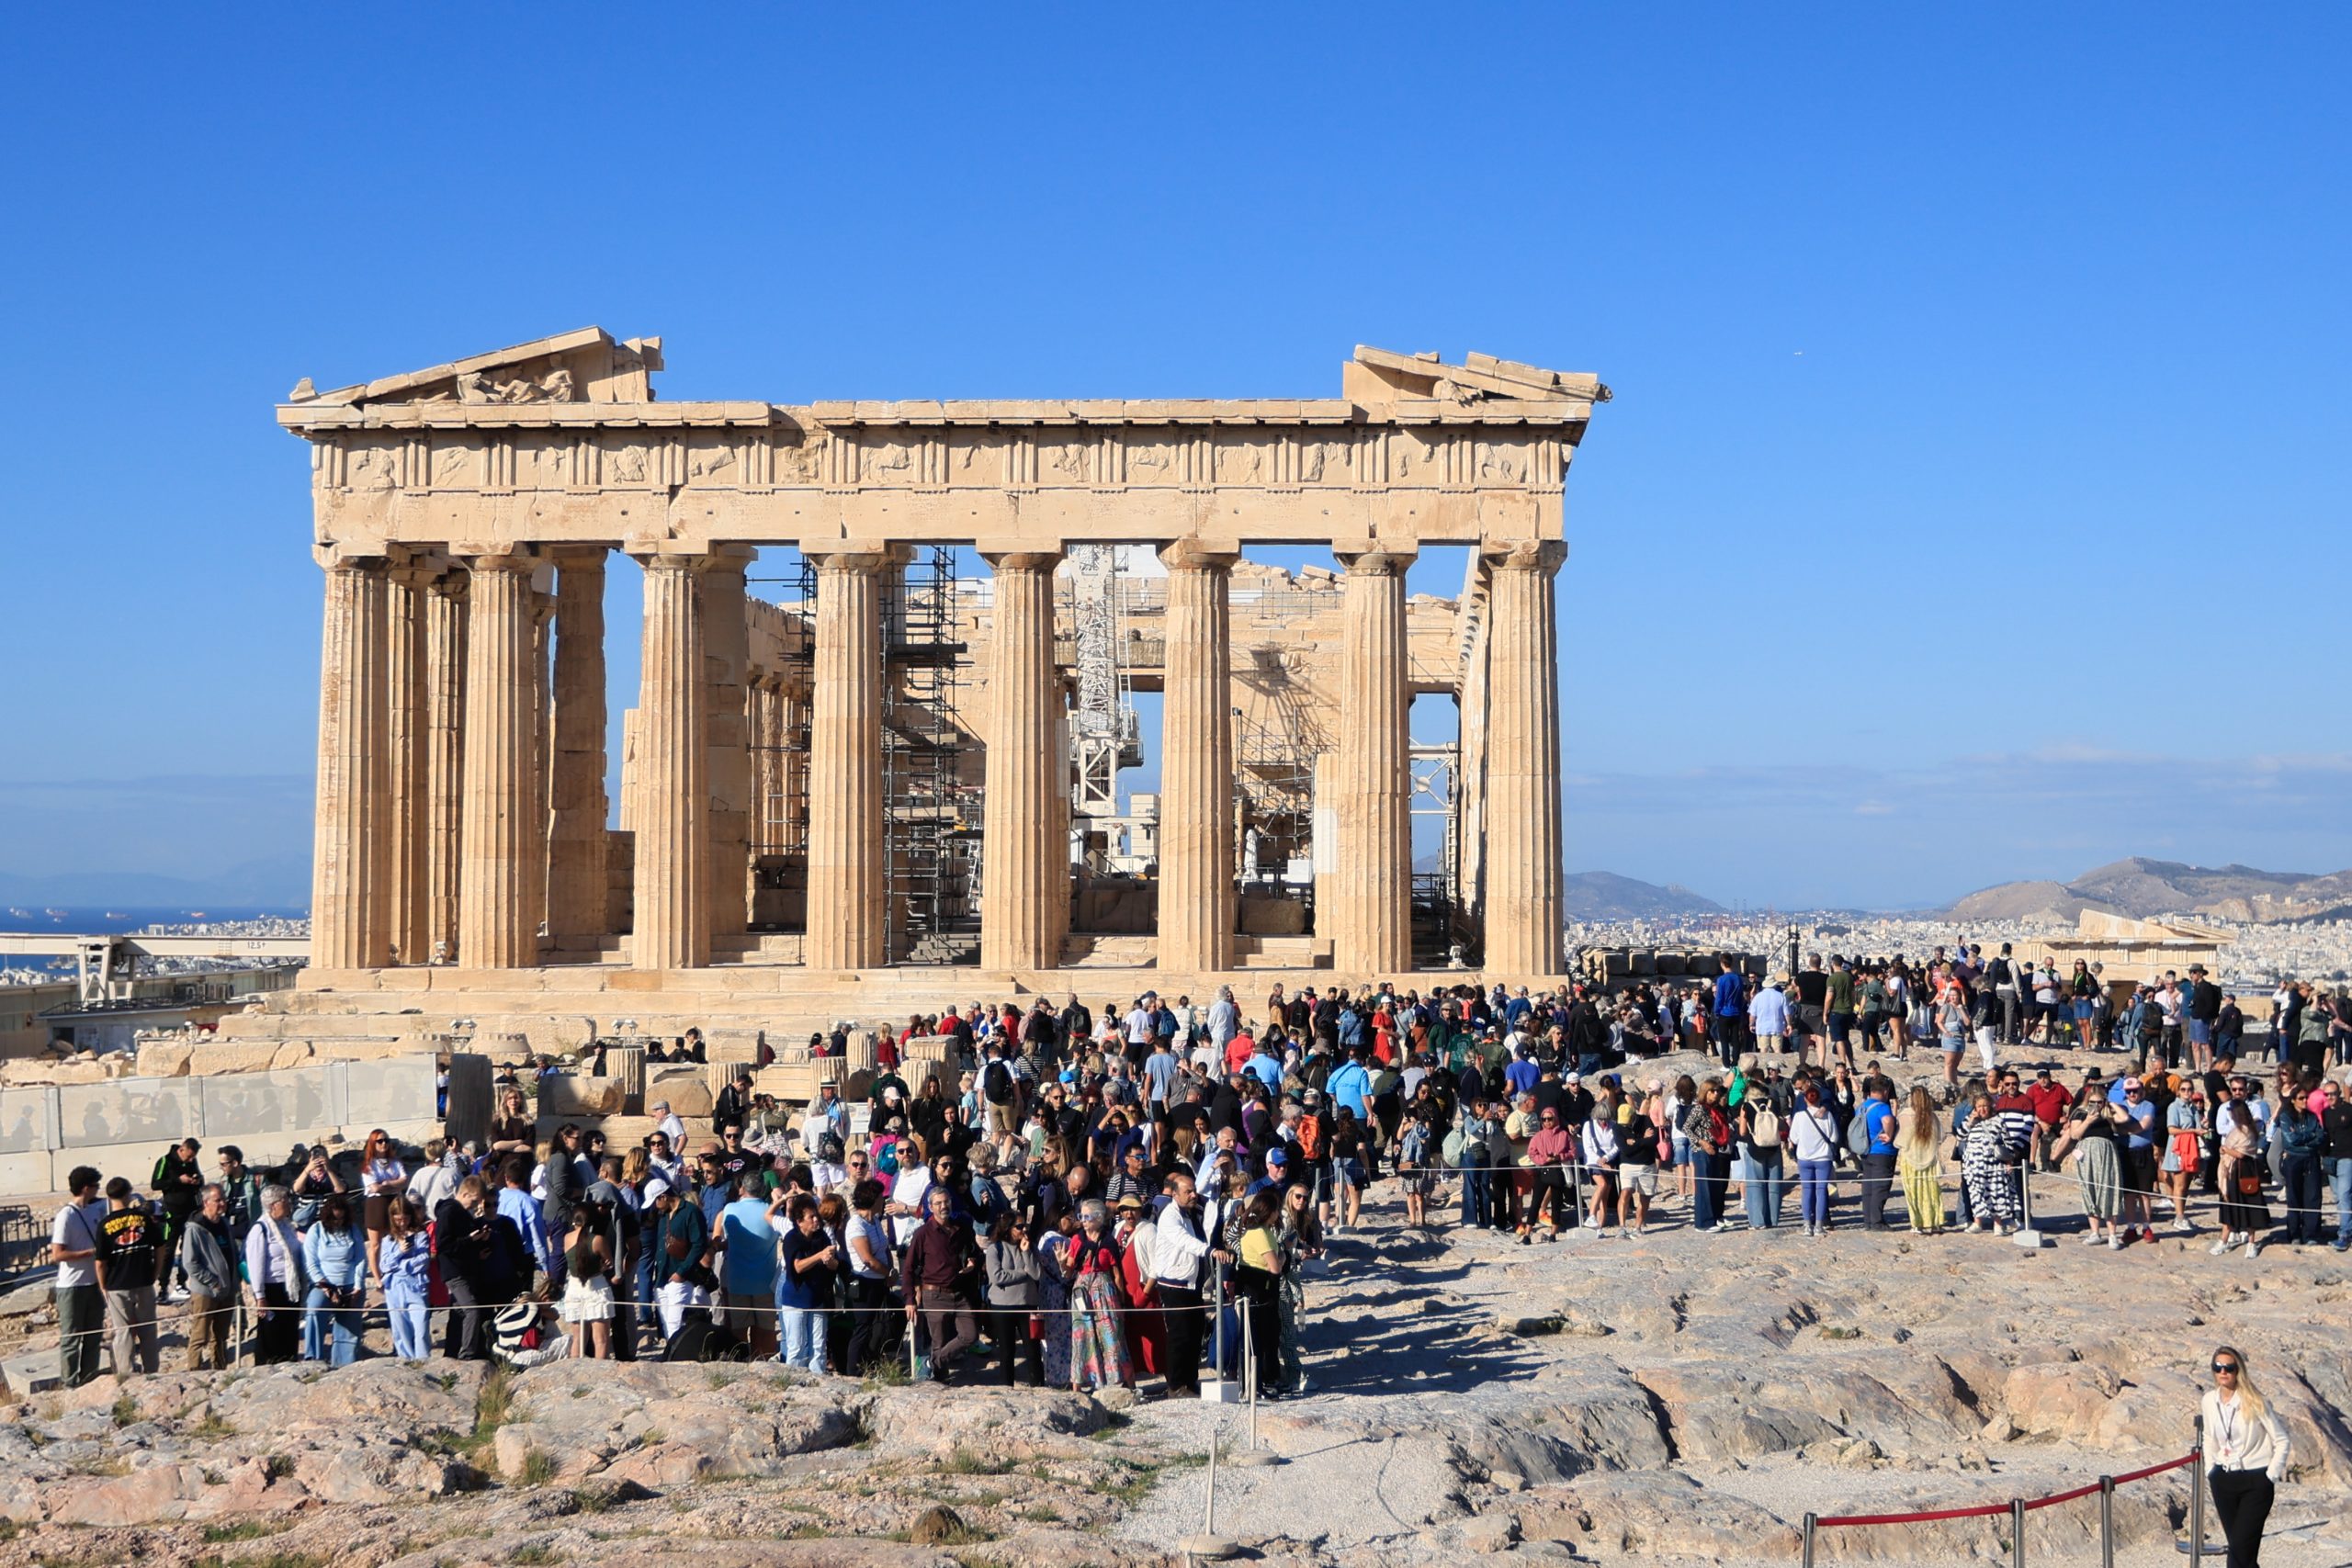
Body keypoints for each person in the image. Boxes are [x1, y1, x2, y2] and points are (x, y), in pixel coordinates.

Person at [2200, 1347, 2290, 1568]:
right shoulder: (2209, 1400)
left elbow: (2282, 1440)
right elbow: (2209, 1437)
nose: (2223, 1372)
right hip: (2223, 1480)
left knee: (2238, 1551)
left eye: (2228, 1368)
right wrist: (2211, 1469)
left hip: (2255, 1482)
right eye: (2218, 1367)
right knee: (2244, 1554)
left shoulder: (2254, 1400)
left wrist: (2271, 1475)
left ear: (2238, 1370)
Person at [902, 1185, 982, 1382]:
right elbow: (909, 1268)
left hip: (959, 1292)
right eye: (938, 1203)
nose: (943, 1206)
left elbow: (976, 1253)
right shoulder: (922, 1233)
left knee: (970, 1335)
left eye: (946, 1202)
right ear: (931, 1206)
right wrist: (910, 1299)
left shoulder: (962, 1228)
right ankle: (939, 1383)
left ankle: (929, 1363)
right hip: (934, 1294)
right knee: (939, 1341)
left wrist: (974, 1262)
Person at [95, 1176, 163, 1377]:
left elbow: (100, 1262)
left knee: (123, 1331)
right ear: (128, 1193)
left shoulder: (105, 1224)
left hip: (117, 1283)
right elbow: (160, 1246)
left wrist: (102, 1285)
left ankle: (126, 1373)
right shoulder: (142, 1218)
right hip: (143, 1279)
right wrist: (155, 1273)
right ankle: (152, 1371)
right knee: (148, 1329)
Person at [49, 1166, 108, 1389]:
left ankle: (89, 1379)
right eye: (95, 1186)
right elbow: (58, 1254)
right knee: (71, 1339)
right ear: (86, 1188)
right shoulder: (66, 1215)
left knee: (93, 1337)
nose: (98, 1190)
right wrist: (89, 1253)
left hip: (93, 1283)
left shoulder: (95, 1209)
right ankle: (70, 1383)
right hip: (72, 1286)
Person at [179, 1183, 241, 1371]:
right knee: (200, 1334)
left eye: (223, 1199)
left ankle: (219, 1367)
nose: (223, 1203)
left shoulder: (223, 1223)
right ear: (206, 1202)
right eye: (218, 1200)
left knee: (221, 1335)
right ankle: (194, 1370)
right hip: (206, 1291)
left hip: (227, 1287)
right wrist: (212, 1282)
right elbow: (190, 1263)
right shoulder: (196, 1228)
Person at [775, 1193, 840, 1372]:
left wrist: (830, 1261)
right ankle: (793, 1381)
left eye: (816, 1216)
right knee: (796, 1346)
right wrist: (819, 1256)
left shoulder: (822, 1238)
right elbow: (797, 1267)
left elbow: (835, 1265)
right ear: (799, 1221)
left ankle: (818, 1380)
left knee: (818, 1346)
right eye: (811, 1217)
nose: (815, 1220)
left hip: (817, 1298)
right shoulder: (791, 1239)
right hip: (795, 1299)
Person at [302, 1193, 368, 1366]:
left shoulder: (353, 1230)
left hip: (350, 1285)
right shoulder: (316, 1230)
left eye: (341, 1219)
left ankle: (344, 1363)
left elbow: (360, 1258)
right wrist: (326, 1287)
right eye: (335, 1219)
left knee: (349, 1327)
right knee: (314, 1311)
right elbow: (311, 1262)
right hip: (324, 1284)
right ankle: (313, 1358)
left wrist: (358, 1285)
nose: (338, 1222)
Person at [245, 1185, 308, 1364]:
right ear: (273, 1205)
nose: (289, 1204)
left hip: (290, 1286)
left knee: (289, 1330)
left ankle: (289, 1361)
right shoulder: (261, 1229)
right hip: (271, 1288)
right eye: (285, 1201)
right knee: (272, 1333)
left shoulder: (287, 1225)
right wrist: (260, 1296)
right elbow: (256, 1264)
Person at [379, 1198, 435, 1360]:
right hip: (394, 1287)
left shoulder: (420, 1236)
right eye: (398, 1219)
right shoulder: (388, 1240)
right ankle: (406, 1359)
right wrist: (400, 1252)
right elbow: (384, 1265)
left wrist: (401, 1265)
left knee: (421, 1327)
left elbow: (423, 1261)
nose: (402, 1223)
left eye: (405, 1218)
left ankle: (423, 1360)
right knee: (400, 1328)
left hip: (416, 1285)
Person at [151, 1136, 204, 1302]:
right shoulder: (165, 1161)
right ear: (181, 1149)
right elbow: (156, 1184)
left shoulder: (192, 1162)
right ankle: (163, 1287)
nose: (190, 1159)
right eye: (188, 1156)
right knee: (169, 1251)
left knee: (188, 1249)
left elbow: (200, 1181)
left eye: (193, 1157)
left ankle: (182, 1283)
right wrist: (178, 1180)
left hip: (190, 1212)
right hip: (172, 1213)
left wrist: (196, 1180)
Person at [1894, 1084, 1944, 1234]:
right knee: (1931, 1192)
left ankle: (1916, 1223)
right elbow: (1940, 1137)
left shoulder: (1905, 1115)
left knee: (1913, 1192)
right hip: (1928, 1158)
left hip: (1910, 1159)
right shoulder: (1932, 1116)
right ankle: (1934, 1222)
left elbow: (1900, 1140)